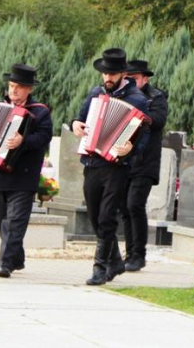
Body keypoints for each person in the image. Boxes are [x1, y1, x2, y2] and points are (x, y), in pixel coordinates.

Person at [72, 48, 149, 286]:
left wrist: (130, 148)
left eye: (112, 74)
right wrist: (76, 124)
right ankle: (115, 260)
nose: (107, 78)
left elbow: (143, 134)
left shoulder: (137, 99)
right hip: (92, 161)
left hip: (117, 165)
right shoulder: (96, 93)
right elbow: (80, 116)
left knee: (106, 216)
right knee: (95, 215)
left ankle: (100, 267)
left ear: (123, 74)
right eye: (105, 73)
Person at [0, 64, 53, 278]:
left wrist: (22, 141)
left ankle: (4, 264)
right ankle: (16, 257)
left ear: (29, 89)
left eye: (19, 87)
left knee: (14, 221)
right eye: (11, 85)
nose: (14, 90)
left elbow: (44, 138)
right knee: (2, 221)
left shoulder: (40, 112)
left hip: (23, 176)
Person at [120, 60, 168, 272]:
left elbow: (158, 120)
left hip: (145, 161)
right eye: (127, 78)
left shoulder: (156, 97)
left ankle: (139, 254)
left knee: (135, 205)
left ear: (145, 79)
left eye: (135, 78)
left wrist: (136, 111)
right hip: (123, 161)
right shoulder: (122, 96)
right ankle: (130, 253)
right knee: (124, 208)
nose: (130, 82)